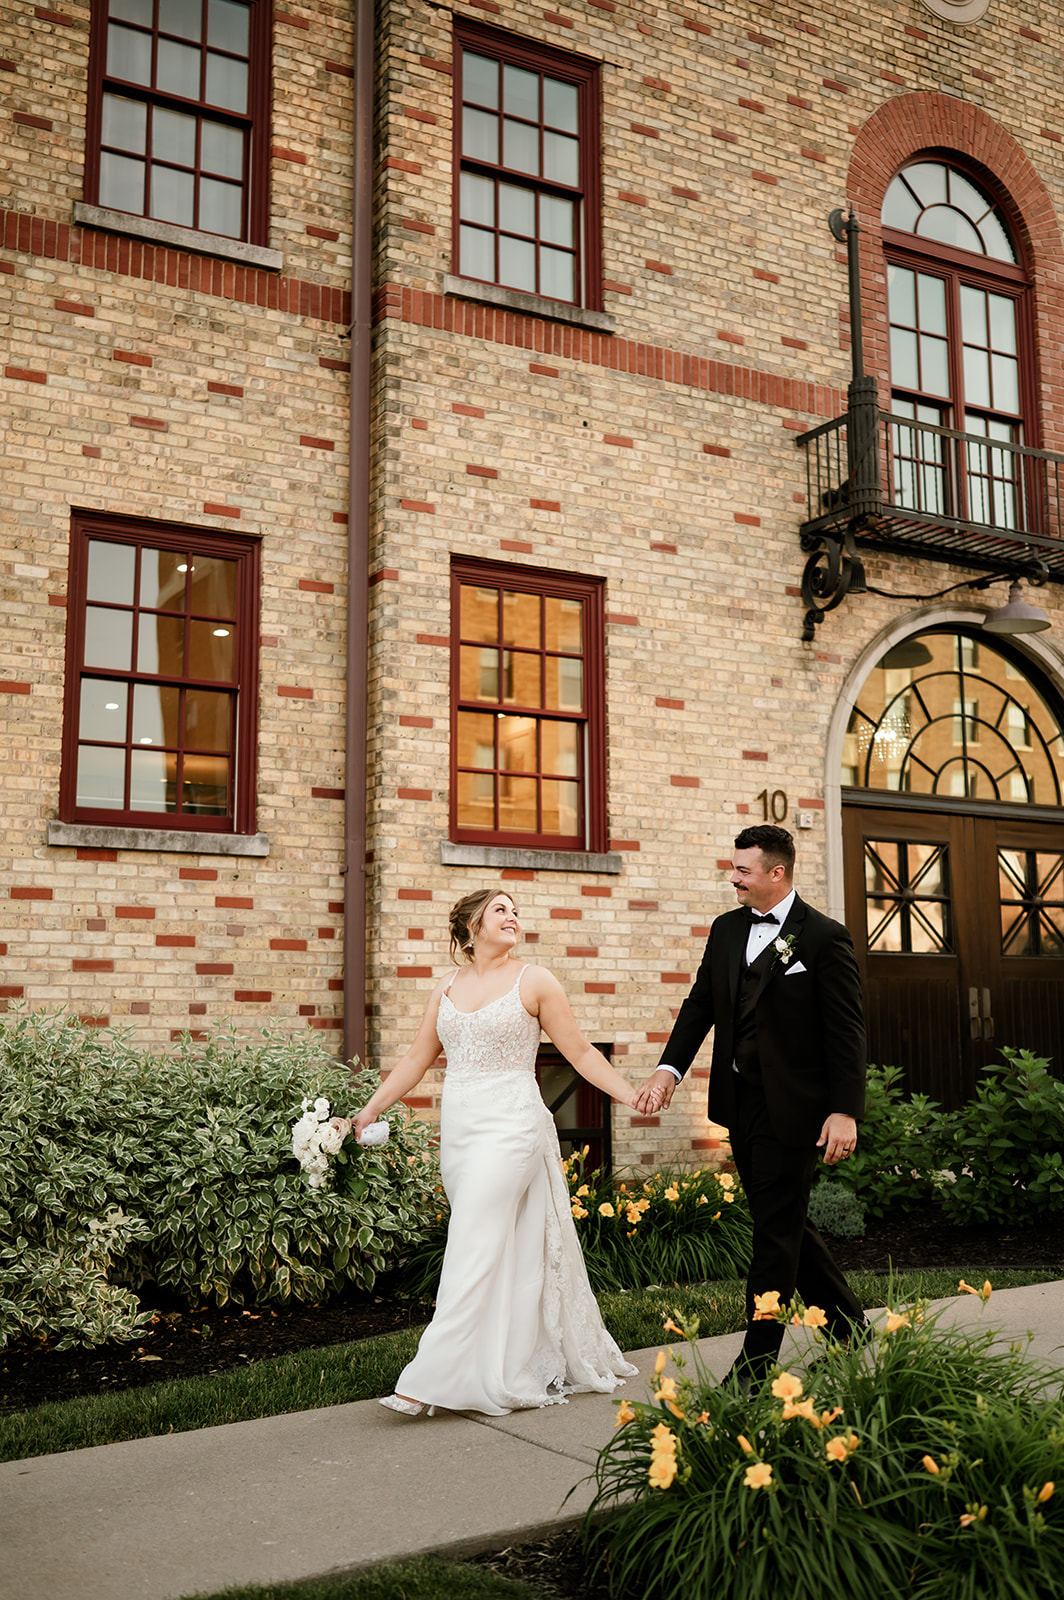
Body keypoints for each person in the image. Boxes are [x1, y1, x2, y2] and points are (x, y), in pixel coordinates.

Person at [351, 887, 639, 1416]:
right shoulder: (447, 986)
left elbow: (578, 1051)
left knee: (470, 1241)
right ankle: (499, 1360)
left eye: (515, 910)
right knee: (492, 1246)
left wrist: (630, 1094)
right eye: (500, 910)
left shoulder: (536, 981)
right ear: (469, 926)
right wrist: (371, 1109)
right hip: (461, 1129)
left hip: (513, 1125)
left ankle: (427, 1377)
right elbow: (418, 1057)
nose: (513, 917)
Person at [636, 824, 867, 1389]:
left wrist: (845, 1109)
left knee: (774, 1234)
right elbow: (700, 1006)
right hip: (741, 1104)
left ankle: (755, 1364)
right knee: (780, 1221)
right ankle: (851, 1327)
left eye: (742, 870)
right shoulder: (726, 929)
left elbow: (846, 1033)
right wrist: (669, 1070)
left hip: (799, 1110)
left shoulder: (822, 939)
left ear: (777, 873)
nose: (732, 878)